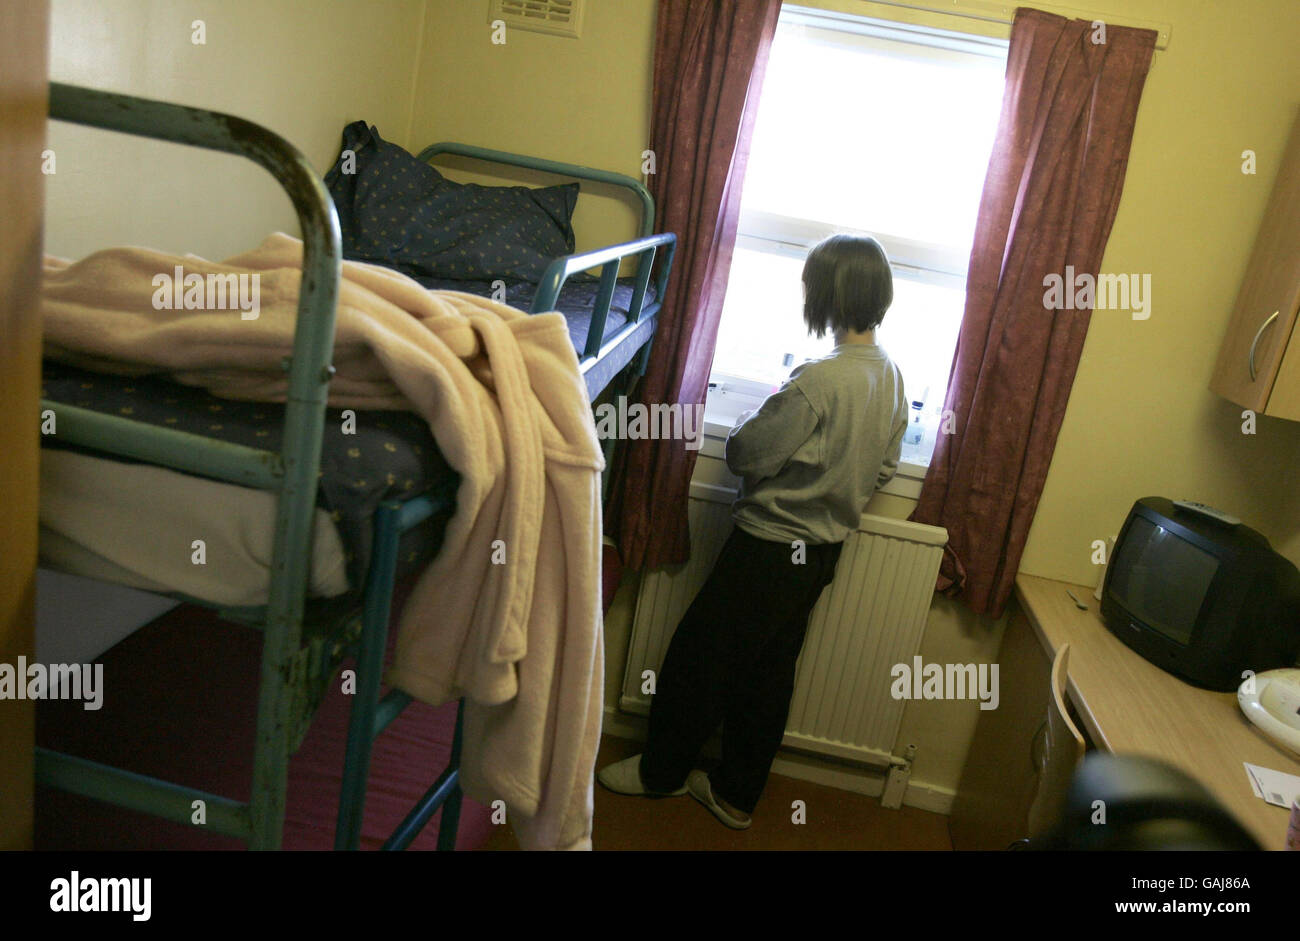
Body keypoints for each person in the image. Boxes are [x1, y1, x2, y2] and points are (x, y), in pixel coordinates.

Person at [598, 234, 910, 828]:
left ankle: (660, 774)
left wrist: (751, 416)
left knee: (699, 661)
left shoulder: (818, 380)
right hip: (822, 553)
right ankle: (737, 794)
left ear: (828, 295)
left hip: (769, 549)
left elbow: (746, 453)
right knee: (769, 673)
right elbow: (886, 467)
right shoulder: (891, 377)